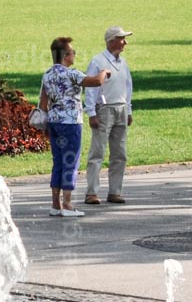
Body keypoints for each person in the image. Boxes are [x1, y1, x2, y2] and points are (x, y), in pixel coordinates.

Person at [38, 37, 110, 217]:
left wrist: (46, 122)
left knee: (58, 162)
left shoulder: (47, 74)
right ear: (65, 55)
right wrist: (104, 72)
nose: (74, 55)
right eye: (73, 52)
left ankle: (55, 204)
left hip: (54, 122)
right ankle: (68, 203)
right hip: (70, 122)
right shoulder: (72, 73)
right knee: (71, 160)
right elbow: (95, 82)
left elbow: (43, 101)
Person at [83, 26, 134, 205]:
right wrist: (91, 112)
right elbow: (91, 88)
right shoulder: (98, 61)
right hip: (103, 110)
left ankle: (115, 191)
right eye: (122, 38)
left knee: (120, 153)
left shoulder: (123, 63)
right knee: (98, 152)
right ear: (112, 41)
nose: (125, 42)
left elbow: (128, 87)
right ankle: (92, 192)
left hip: (120, 108)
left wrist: (128, 110)